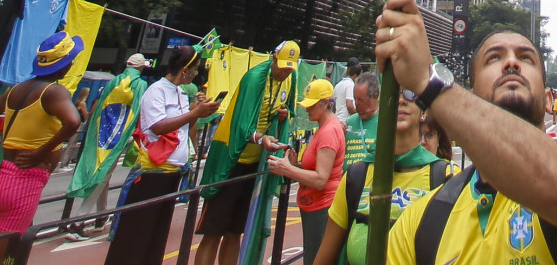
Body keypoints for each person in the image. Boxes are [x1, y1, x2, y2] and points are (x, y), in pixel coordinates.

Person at [373, 0, 557, 265]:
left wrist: (429, 82)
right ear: (469, 93)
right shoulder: (420, 221)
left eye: (526, 59)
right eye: (494, 58)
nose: (511, 63)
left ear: (550, 99)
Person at [0, 32, 84, 265]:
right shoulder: (54, 91)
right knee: (4, 250)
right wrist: (41, 152)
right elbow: (73, 121)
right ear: (64, 65)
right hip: (26, 179)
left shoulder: (15, 90)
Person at [107, 43, 222, 265]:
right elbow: (158, 126)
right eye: (196, 68)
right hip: (153, 172)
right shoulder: (156, 91)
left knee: (157, 232)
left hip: (172, 171)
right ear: (185, 69)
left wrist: (197, 111)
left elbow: (183, 127)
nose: (198, 73)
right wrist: (194, 113)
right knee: (138, 231)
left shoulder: (179, 92)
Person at [316, 87, 453, 265]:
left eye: (410, 93)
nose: (401, 100)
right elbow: (323, 259)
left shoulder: (447, 177)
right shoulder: (356, 176)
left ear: (424, 111)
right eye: (394, 92)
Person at [192, 39, 298, 265]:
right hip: (230, 161)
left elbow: (288, 108)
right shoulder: (255, 78)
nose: (285, 72)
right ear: (273, 59)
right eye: (283, 66)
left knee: (235, 231)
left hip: (254, 164)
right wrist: (262, 138)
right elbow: (241, 125)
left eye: (290, 68)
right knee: (213, 231)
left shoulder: (290, 79)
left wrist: (282, 114)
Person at [267, 79, 344, 265]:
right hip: (315, 205)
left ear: (325, 103)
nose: (307, 109)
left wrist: (289, 169)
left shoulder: (328, 132)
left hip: (322, 206)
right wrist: (297, 166)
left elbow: (320, 179)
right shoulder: (324, 128)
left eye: (311, 105)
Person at [345, 72, 382, 164]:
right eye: (355, 98)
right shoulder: (350, 121)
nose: (356, 103)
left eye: (360, 99)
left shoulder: (384, 122)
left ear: (374, 97)